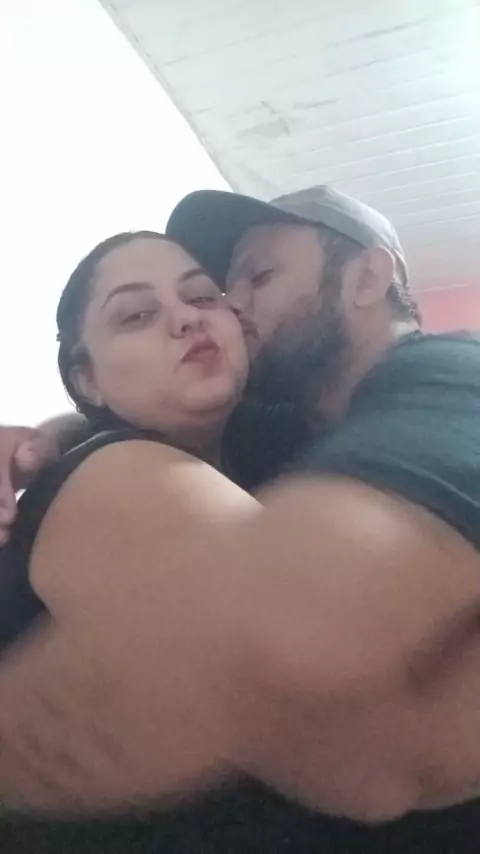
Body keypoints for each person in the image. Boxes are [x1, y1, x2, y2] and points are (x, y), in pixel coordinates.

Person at [1, 189, 480, 854]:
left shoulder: (308, 431)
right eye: (136, 315)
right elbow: (364, 755)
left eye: (207, 296)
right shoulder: (107, 470)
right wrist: (47, 441)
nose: (192, 317)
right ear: (87, 379)